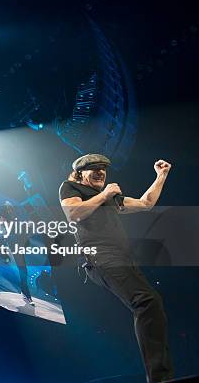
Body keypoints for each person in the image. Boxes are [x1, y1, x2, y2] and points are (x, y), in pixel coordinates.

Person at [59, 153, 173, 383]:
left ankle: (161, 376)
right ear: (81, 173)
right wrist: (105, 194)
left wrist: (161, 176)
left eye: (103, 168)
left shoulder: (110, 197)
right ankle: (160, 378)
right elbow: (73, 214)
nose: (101, 171)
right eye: (95, 168)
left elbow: (146, 203)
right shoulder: (71, 187)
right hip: (99, 257)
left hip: (122, 257)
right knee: (146, 301)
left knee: (152, 303)